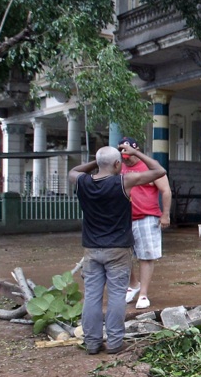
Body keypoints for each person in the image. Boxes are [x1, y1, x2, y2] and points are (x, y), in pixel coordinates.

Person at [69, 142, 165, 356]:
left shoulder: (82, 181)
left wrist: (98, 160)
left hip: (92, 250)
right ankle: (114, 343)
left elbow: (73, 171)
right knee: (115, 297)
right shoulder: (124, 181)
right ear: (116, 163)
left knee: (92, 297)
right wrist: (136, 153)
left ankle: (92, 343)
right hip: (118, 249)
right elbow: (159, 171)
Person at [118, 136, 173, 310]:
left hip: (147, 216)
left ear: (137, 151)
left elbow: (165, 190)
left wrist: (165, 215)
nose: (127, 160)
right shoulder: (118, 167)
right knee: (121, 255)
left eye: (130, 155)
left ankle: (143, 293)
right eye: (124, 156)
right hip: (124, 218)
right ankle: (133, 284)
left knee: (146, 255)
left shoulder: (149, 166)